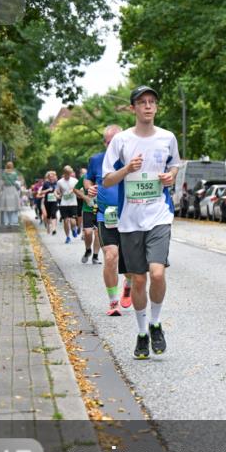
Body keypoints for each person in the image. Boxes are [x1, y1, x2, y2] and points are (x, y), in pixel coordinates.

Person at [102, 85, 180, 358]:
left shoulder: (167, 137)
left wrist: (171, 176)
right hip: (129, 220)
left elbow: (174, 167)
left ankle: (156, 323)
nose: (148, 106)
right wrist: (127, 169)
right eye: (142, 102)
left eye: (152, 102)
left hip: (159, 215)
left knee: (157, 273)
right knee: (138, 281)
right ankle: (142, 333)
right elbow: (107, 179)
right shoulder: (121, 141)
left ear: (156, 108)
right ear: (133, 108)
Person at [86, 125, 132, 316]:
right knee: (111, 256)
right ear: (104, 143)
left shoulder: (132, 158)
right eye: (108, 141)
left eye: (116, 141)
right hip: (106, 216)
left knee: (130, 262)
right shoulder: (97, 160)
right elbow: (88, 179)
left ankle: (128, 285)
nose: (111, 144)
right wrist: (90, 188)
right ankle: (113, 302)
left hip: (130, 216)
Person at [78, 165, 101, 264]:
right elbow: (75, 189)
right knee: (88, 232)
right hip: (87, 209)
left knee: (98, 233)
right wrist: (85, 197)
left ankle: (95, 256)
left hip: (100, 209)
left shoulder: (103, 176)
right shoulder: (85, 177)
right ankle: (88, 250)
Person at [55, 166, 79, 243]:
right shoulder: (60, 182)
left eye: (70, 173)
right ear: (64, 173)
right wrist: (57, 195)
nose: (68, 175)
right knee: (65, 220)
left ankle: (74, 229)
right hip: (63, 204)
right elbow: (56, 191)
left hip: (73, 203)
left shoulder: (75, 180)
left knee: (72, 221)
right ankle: (68, 237)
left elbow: (80, 189)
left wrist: (75, 190)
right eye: (67, 174)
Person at [0, 161, 22, 227]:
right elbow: (17, 182)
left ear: (6, 166)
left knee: (5, 207)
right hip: (13, 190)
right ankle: (13, 222)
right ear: (12, 166)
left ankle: (6, 222)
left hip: (5, 190)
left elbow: (1, 183)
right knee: (14, 207)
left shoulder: (3, 174)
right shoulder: (14, 174)